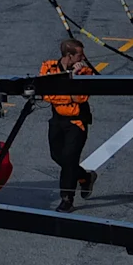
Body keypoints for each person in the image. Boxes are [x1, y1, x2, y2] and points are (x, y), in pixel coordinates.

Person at [44, 38, 100, 210]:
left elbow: (82, 97)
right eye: (80, 55)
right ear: (69, 56)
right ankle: (84, 177)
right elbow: (46, 94)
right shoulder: (49, 67)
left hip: (77, 121)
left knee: (69, 158)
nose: (83, 58)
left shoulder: (85, 72)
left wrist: (74, 78)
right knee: (56, 155)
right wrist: (69, 96)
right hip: (58, 120)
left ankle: (67, 198)